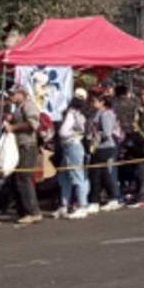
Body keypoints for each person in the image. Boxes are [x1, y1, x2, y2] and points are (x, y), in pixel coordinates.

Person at [4, 85, 44, 224]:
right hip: (18, 146)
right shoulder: (18, 108)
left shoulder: (29, 105)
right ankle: (23, 210)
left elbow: (33, 124)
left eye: (13, 94)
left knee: (24, 178)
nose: (10, 97)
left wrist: (13, 127)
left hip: (27, 145)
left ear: (22, 93)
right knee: (17, 178)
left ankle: (33, 212)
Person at [55, 90, 91, 218]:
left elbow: (63, 132)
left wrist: (72, 136)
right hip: (72, 146)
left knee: (77, 176)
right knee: (64, 177)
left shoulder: (72, 113)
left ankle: (83, 206)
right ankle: (64, 205)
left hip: (72, 145)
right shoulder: (81, 114)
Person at [86, 89, 123, 210]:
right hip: (98, 147)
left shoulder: (106, 114)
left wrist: (95, 136)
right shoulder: (97, 113)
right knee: (96, 175)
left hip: (106, 147)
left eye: (94, 101)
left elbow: (107, 133)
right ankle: (95, 200)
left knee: (105, 174)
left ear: (102, 102)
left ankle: (113, 198)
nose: (92, 104)